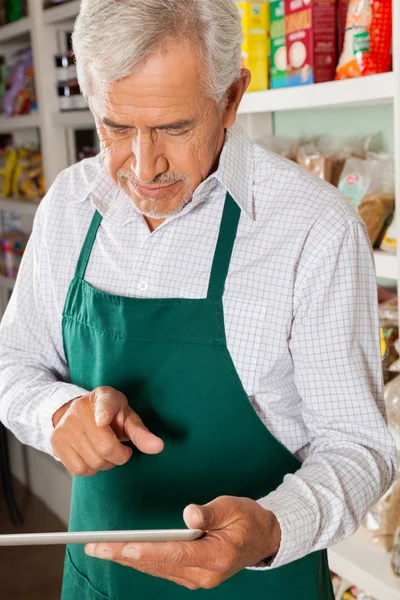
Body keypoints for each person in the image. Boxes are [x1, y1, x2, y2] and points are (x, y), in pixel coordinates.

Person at [0, 1, 395, 598]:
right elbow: (13, 362)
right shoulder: (71, 204)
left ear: (233, 97)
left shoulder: (315, 226)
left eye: (174, 128)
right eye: (115, 126)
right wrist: (57, 411)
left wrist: (270, 528)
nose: (143, 165)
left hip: (260, 585)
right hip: (100, 582)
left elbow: (359, 446)